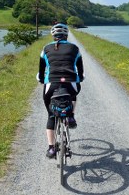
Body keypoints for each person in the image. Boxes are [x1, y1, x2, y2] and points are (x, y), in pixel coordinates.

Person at [38, 23, 84, 158]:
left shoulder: (45, 49)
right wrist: (79, 78)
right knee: (74, 95)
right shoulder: (75, 48)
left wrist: (42, 80)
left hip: (51, 84)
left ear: (53, 36)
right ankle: (70, 116)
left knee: (51, 115)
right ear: (66, 35)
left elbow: (41, 72)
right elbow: (80, 71)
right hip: (70, 83)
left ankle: (51, 148)